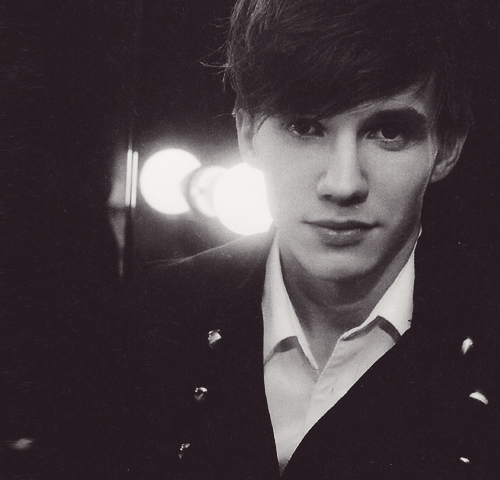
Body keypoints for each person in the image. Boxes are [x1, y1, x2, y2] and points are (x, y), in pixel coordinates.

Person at [121, 0, 499, 479]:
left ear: (447, 146)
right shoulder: (142, 324)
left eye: (388, 132)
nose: (343, 184)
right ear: (246, 132)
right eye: (305, 127)